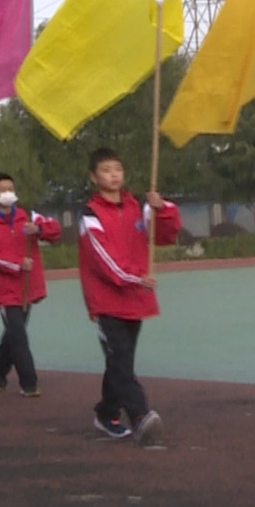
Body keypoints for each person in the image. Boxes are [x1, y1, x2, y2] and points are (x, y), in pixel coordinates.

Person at [78, 147, 181, 446]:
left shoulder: (139, 206)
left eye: (117, 169)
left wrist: (163, 208)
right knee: (121, 359)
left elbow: (167, 234)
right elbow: (101, 258)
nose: (113, 175)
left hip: (135, 300)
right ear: (94, 177)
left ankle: (106, 412)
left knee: (119, 361)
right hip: (108, 300)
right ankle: (140, 416)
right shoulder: (90, 214)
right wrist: (134, 277)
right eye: (106, 170)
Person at [0, 172, 63, 397]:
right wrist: (17, 264)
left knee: (14, 333)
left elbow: (55, 230)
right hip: (5, 289)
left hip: (27, 286)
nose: (7, 193)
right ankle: (29, 383)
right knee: (18, 335)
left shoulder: (28, 215)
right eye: (2, 190)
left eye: (10, 188)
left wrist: (41, 230)